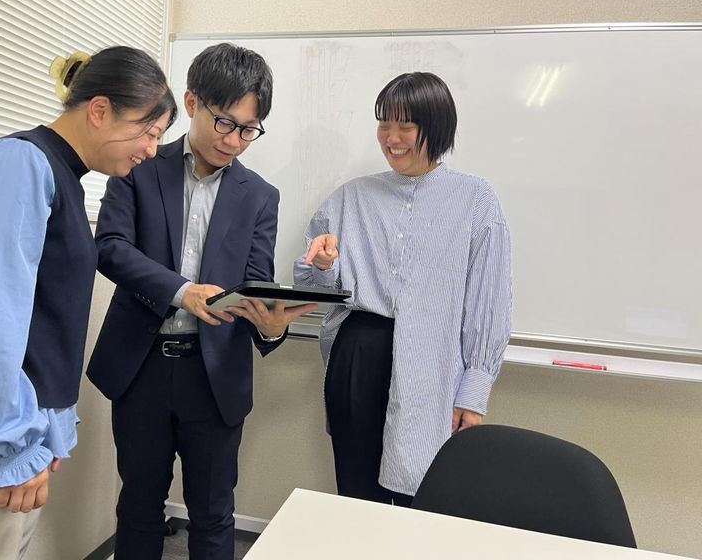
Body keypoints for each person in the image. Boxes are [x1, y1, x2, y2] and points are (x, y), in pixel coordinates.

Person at [0, 46, 177, 560]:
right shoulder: (18, 162)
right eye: (148, 130)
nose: (151, 149)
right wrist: (12, 442)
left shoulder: (60, 175)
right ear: (100, 110)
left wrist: (35, 436)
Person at [86, 42, 314, 560]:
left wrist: (272, 327)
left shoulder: (260, 196)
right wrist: (181, 292)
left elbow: (256, 282)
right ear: (191, 103)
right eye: (225, 123)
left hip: (214, 378)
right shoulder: (140, 162)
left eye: (249, 129)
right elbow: (110, 247)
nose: (234, 141)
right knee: (138, 506)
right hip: (141, 368)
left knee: (213, 514)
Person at [294, 72, 513, 506]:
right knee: (357, 492)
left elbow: (489, 304)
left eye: (406, 126)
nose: (391, 138)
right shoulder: (351, 197)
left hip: (436, 359)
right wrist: (322, 264)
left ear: (437, 128)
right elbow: (318, 287)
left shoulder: (476, 200)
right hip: (358, 351)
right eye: (384, 124)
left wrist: (474, 392)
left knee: (426, 494)